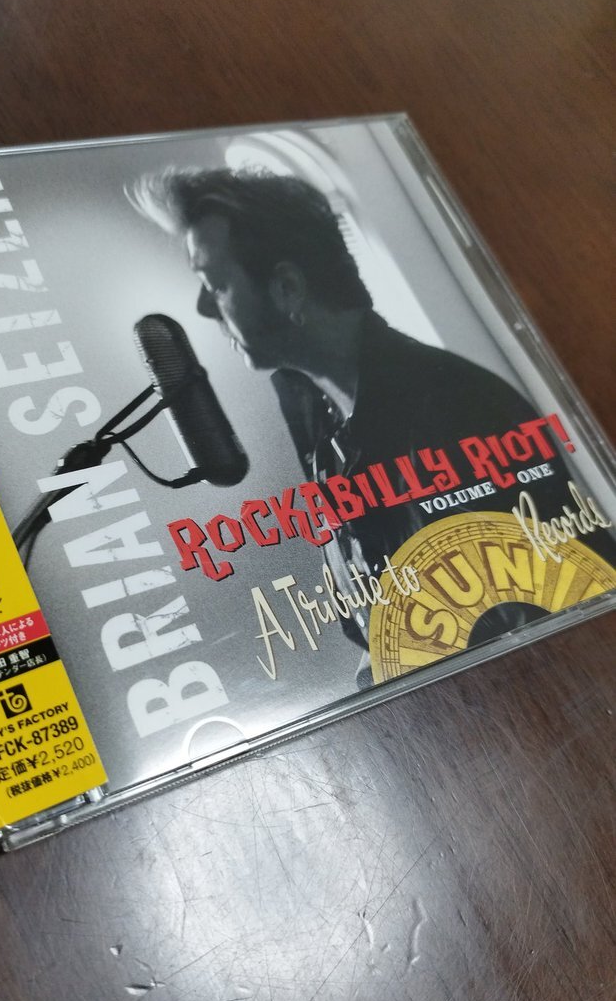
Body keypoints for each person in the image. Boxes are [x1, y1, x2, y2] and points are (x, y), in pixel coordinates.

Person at [130, 166, 613, 656]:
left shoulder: (462, 409)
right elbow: (367, 620)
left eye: (214, 283)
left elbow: (565, 625)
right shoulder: (312, 413)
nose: (204, 307)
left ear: (288, 287)